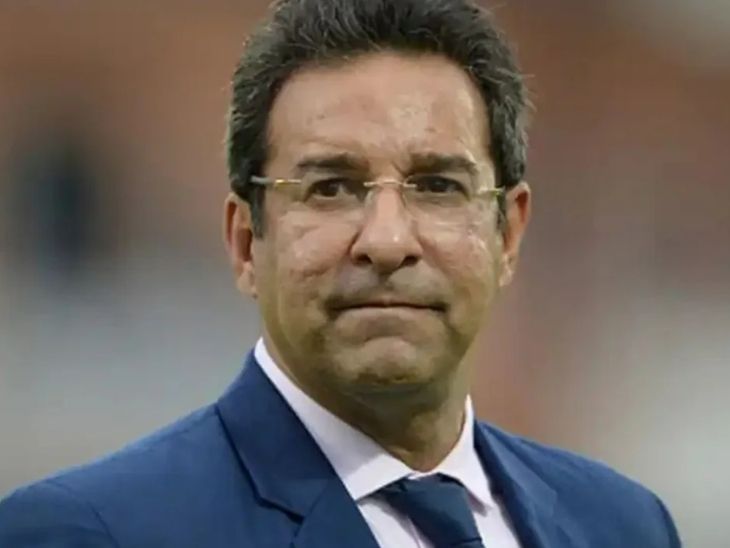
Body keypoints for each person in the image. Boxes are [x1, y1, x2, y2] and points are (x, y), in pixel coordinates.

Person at [0, 1, 681, 546]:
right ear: (245, 242)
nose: (387, 241)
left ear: (508, 234)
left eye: (438, 185)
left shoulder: (623, 525)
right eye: (331, 188)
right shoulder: (94, 532)